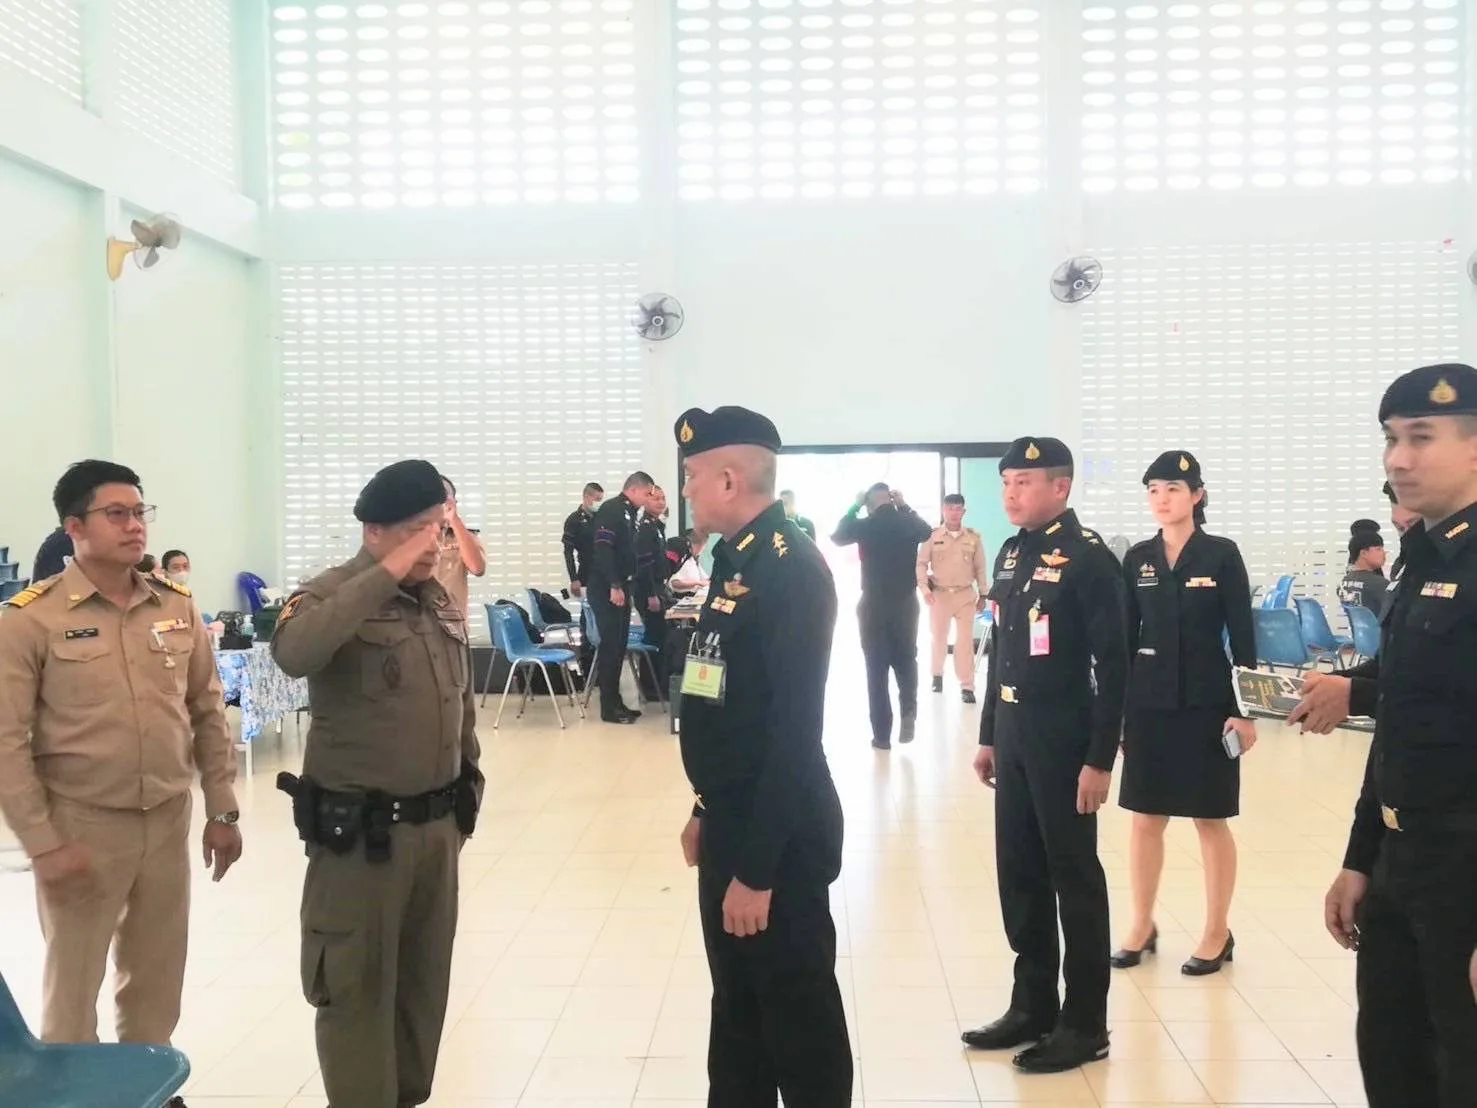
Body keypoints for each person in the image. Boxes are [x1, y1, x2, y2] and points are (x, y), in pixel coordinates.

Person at [0, 460, 241, 1056]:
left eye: (140, 512)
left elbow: (207, 710)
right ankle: (78, 1091)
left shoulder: (174, 606)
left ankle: (149, 1085)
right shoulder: (32, 619)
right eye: (117, 514)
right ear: (75, 527)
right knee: (73, 989)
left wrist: (222, 808)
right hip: (81, 827)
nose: (135, 525)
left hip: (166, 819)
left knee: (156, 980)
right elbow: (6, 743)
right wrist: (44, 844)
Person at [1291, 363, 1477, 1108]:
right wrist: (1360, 858)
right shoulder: (1420, 558)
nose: (1397, 458)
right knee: (1394, 1063)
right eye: (1391, 438)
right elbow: (1400, 726)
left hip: (1465, 870)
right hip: (1401, 863)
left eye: (1420, 437)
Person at [271, 459, 484, 1108]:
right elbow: (295, 653)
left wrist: (467, 795)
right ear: (374, 532)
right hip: (361, 843)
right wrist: (385, 574)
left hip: (435, 833)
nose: (433, 545)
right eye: (418, 530)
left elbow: (459, 706)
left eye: (439, 530)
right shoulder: (327, 594)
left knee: (422, 992)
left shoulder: (436, 600)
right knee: (356, 993)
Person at [674, 405, 852, 1108]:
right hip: (731, 815)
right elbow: (726, 705)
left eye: (692, 475)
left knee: (798, 1024)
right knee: (738, 1013)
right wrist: (704, 807)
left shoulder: (790, 569)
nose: (686, 489)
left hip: (776, 836)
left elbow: (793, 734)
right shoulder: (736, 558)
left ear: (727, 479)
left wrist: (756, 870)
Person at [962, 436, 1126, 1074]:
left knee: (1073, 877)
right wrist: (988, 735)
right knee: (1020, 873)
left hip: (1064, 739)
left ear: (1061, 487)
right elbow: (1001, 648)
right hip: (1014, 734)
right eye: (1006, 483)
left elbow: (1114, 667)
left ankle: (1085, 1023)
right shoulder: (1011, 553)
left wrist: (1100, 759)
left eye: (1024, 483)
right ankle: (1032, 1005)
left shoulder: (1089, 559)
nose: (1011, 494)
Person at [1111, 451, 1257, 977]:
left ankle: (1217, 930)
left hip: (1208, 704)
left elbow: (1244, 637)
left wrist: (1244, 711)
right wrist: (1119, 716)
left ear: (1197, 495)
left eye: (1172, 489)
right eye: (1153, 490)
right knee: (1145, 818)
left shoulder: (1221, 555)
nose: (1161, 499)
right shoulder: (1138, 559)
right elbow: (1125, 640)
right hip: (1149, 703)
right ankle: (1141, 924)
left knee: (1210, 818)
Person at [832, 483, 933, 748]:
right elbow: (926, 531)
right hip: (906, 603)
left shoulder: (865, 525)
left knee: (876, 670)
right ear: (890, 498)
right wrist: (904, 505)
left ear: (869, 502)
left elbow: (838, 536)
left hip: (873, 605)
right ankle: (908, 711)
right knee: (907, 659)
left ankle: (882, 736)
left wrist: (854, 506)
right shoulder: (907, 522)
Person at [588, 471, 657, 723]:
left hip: (623, 586)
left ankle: (617, 702)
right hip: (607, 588)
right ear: (634, 489)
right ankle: (608, 708)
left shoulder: (630, 513)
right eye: (647, 493)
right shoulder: (612, 509)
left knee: (619, 647)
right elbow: (603, 550)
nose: (649, 499)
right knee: (610, 647)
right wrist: (614, 584)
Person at [916, 493, 989, 704]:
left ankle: (967, 686)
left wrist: (983, 594)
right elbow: (921, 563)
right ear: (943, 510)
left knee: (965, 641)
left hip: (965, 595)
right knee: (939, 637)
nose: (954, 513)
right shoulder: (932, 536)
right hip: (939, 595)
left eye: (958, 509)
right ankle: (937, 675)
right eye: (950, 508)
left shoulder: (973, 538)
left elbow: (980, 567)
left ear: (963, 512)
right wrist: (924, 589)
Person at [432, 474, 487, 624]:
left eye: (443, 494)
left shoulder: (463, 536)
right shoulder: (407, 536)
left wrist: (454, 519)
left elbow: (477, 568)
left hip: (452, 626)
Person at [636, 485, 673, 699]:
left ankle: (658, 685)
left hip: (658, 587)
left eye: (663, 498)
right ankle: (651, 689)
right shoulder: (645, 528)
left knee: (660, 637)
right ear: (645, 501)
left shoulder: (656, 526)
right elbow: (644, 565)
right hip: (648, 591)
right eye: (656, 498)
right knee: (654, 638)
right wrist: (651, 594)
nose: (661, 502)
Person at [562, 481, 604, 597]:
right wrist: (573, 578)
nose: (599, 503)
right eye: (597, 499)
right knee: (588, 605)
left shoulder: (602, 518)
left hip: (604, 573)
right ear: (586, 497)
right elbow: (568, 552)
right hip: (586, 572)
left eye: (601, 500)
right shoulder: (574, 520)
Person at [1338, 523, 1388, 614]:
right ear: (1364, 553)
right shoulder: (1379, 584)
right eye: (1379, 549)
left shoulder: (1344, 583)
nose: (1384, 553)